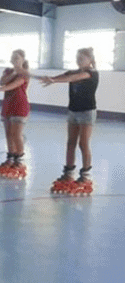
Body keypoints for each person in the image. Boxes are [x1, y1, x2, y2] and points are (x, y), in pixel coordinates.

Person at [41, 47, 99, 195]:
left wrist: (54, 80)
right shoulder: (74, 71)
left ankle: (85, 176)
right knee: (70, 143)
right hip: (73, 110)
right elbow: (66, 75)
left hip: (87, 112)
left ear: (90, 60)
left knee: (83, 143)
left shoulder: (92, 73)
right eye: (77, 58)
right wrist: (50, 79)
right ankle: (69, 172)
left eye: (82, 58)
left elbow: (71, 78)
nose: (78, 60)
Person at [0, 49, 30, 178]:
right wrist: (13, 72)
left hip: (20, 106)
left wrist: (1, 89)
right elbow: (3, 81)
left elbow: (14, 85)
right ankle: (11, 156)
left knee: (16, 134)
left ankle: (20, 159)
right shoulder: (8, 71)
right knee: (8, 134)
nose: (15, 59)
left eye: (18, 58)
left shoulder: (25, 74)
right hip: (8, 105)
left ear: (22, 59)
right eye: (13, 57)